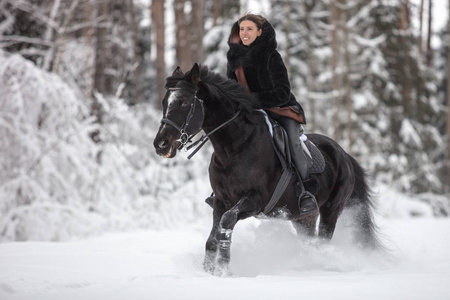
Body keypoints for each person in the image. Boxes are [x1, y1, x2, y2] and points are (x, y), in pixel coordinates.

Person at [226, 14, 319, 217]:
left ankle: (305, 192)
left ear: (260, 32)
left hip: (282, 109)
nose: (244, 33)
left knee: (292, 141)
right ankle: (224, 188)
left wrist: (255, 100)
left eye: (249, 29)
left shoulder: (270, 56)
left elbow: (283, 92)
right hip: (251, 112)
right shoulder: (234, 59)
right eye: (241, 29)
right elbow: (232, 91)